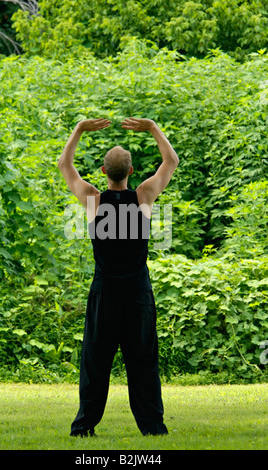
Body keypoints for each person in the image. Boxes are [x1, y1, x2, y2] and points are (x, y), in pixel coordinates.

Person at [58, 117, 179, 437]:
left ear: (102, 172)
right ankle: (153, 427)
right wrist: (153, 127)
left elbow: (65, 165)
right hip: (138, 294)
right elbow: (171, 161)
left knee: (95, 365)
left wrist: (80, 129)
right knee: (143, 363)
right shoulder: (144, 196)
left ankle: (83, 427)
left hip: (105, 295)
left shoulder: (93, 200)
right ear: (131, 172)